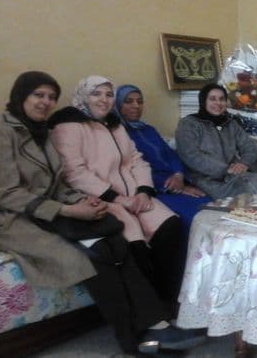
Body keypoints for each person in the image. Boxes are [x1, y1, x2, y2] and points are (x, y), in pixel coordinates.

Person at [0, 71, 206, 354]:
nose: (45, 102)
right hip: (14, 218)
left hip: (52, 209)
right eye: (38, 95)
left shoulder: (41, 129)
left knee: (115, 242)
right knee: (93, 255)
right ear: (21, 95)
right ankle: (134, 336)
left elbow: (58, 183)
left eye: (51, 97)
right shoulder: (3, 130)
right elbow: (6, 193)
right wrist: (70, 208)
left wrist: (82, 202)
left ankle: (154, 323)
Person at [49, 76, 184, 304]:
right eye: (96, 94)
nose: (104, 100)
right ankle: (150, 307)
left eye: (109, 94)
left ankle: (168, 299)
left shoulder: (115, 125)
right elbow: (74, 173)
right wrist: (118, 198)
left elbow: (136, 159)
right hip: (101, 199)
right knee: (135, 245)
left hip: (135, 195)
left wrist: (144, 190)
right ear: (84, 97)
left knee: (170, 227)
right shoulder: (67, 126)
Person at [115, 84, 211, 236]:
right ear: (117, 105)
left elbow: (169, 154)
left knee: (211, 206)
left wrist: (179, 174)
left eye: (139, 101)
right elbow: (132, 169)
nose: (136, 106)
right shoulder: (117, 135)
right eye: (128, 101)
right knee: (194, 218)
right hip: (156, 189)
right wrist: (173, 186)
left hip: (177, 181)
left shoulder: (148, 129)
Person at [175, 83, 257, 198]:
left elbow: (249, 146)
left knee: (256, 187)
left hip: (234, 176)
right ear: (203, 101)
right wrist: (226, 170)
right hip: (206, 180)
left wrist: (244, 163)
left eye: (222, 99)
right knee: (253, 192)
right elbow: (190, 155)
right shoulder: (189, 124)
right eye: (212, 99)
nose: (218, 103)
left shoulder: (230, 124)